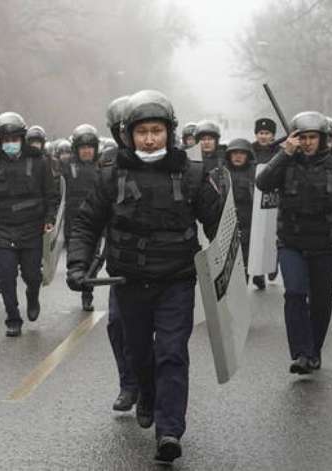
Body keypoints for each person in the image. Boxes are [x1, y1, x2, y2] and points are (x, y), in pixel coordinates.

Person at [67, 90, 222, 463]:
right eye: (142, 132)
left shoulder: (193, 174)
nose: (149, 139)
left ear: (169, 132)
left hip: (176, 282)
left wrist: (230, 261)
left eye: (156, 131)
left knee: (171, 353)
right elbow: (86, 224)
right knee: (138, 354)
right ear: (128, 135)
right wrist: (77, 264)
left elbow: (220, 226)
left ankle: (169, 430)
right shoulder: (110, 178)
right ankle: (146, 394)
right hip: (129, 284)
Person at [256, 111, 332, 374]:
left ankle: (314, 351)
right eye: (303, 137)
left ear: (323, 140)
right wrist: (284, 154)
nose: (308, 142)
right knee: (295, 293)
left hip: (326, 245)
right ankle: (301, 353)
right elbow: (263, 183)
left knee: (321, 301)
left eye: (313, 137)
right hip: (291, 243)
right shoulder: (286, 162)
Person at [0, 112, 60, 337]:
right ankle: (13, 317)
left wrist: (49, 218)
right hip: (2, 229)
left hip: (31, 229)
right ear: (0, 140)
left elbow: (51, 195)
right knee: (6, 275)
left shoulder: (39, 162)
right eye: (6, 140)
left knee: (32, 275)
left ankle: (32, 296)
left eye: (14, 139)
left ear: (22, 139)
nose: (10, 144)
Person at [101, 95, 140, 413]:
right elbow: (95, 213)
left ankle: (151, 385)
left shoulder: (174, 162)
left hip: (166, 263)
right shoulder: (110, 165)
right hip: (122, 260)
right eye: (123, 130)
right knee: (117, 324)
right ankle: (128, 384)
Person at [62, 124, 100, 311]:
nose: (86, 151)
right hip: (73, 223)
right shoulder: (66, 167)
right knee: (79, 258)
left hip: (95, 221)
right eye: (83, 147)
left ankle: (88, 292)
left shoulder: (102, 168)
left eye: (90, 147)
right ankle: (82, 283)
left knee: (94, 259)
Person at [225, 138, 265, 289]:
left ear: (248, 155)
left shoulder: (257, 173)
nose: (238, 156)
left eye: (242, 153)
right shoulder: (222, 174)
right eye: (234, 153)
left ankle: (253, 276)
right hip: (228, 225)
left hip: (250, 224)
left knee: (246, 261)